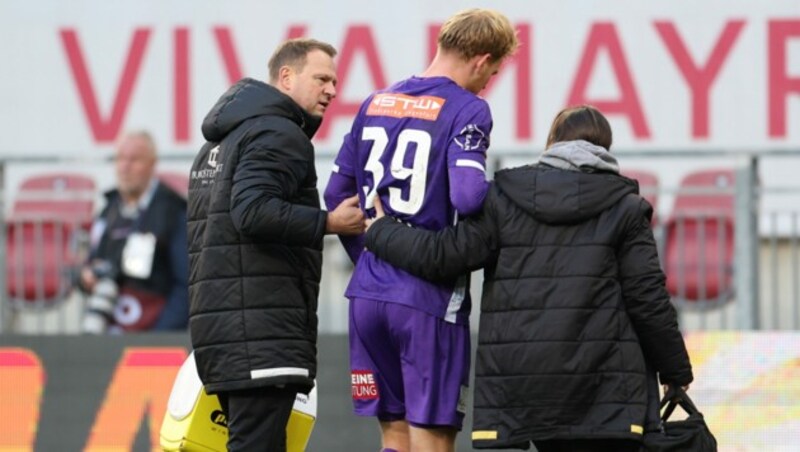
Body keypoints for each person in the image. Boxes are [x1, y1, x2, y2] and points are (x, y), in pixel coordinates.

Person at [364, 105, 694, 451]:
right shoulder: (625, 208)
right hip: (605, 389)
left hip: (526, 386)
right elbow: (648, 298)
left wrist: (382, 231)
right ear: (605, 149)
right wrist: (675, 371)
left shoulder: (504, 198)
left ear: (551, 142)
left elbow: (446, 255)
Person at [323, 8, 519, 452]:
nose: (488, 81)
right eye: (492, 70)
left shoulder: (375, 103)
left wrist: (376, 252)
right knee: (432, 436)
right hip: (428, 301)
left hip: (368, 297)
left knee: (394, 435)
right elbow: (469, 197)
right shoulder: (469, 109)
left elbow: (336, 197)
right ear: (480, 58)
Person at [187, 38, 365, 451]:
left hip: (224, 330)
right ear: (286, 77)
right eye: (321, 78)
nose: (332, 91)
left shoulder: (218, 143)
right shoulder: (279, 133)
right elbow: (252, 212)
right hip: (262, 333)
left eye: (335, 82)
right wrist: (331, 221)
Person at [80, 130, 189, 333]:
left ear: (152, 164)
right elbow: (92, 263)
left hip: (151, 334)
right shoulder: (109, 208)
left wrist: (159, 338)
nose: (125, 167)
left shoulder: (173, 211)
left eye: (134, 159)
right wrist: (85, 277)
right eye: (120, 158)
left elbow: (185, 286)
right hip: (107, 333)